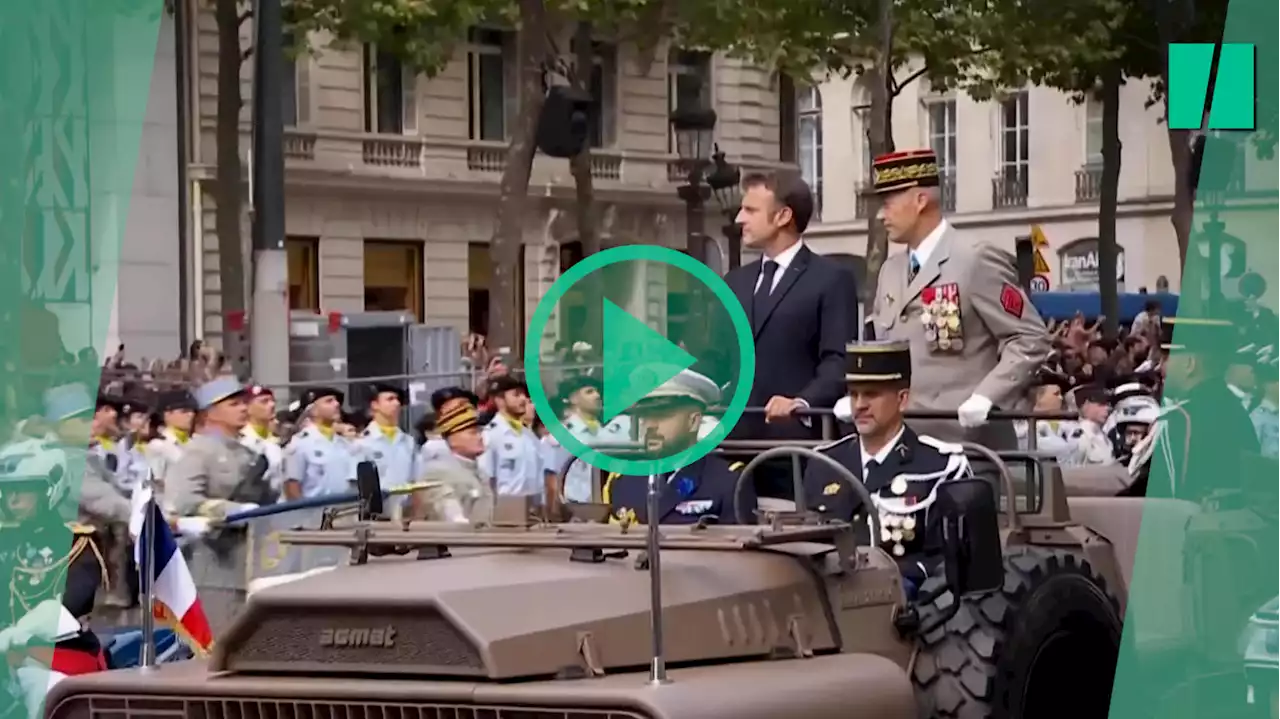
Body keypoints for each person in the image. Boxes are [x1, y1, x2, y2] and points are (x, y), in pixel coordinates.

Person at [866, 149, 1050, 448]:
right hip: (902, 442)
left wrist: (988, 395)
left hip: (966, 445)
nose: (880, 215)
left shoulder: (974, 259)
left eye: (887, 204)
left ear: (920, 200)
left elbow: (1030, 338)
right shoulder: (891, 270)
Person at [799, 341, 973, 598]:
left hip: (906, 609)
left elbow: (951, 561)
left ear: (902, 399)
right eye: (854, 394)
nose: (859, 405)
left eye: (871, 394)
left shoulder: (941, 467)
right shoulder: (824, 464)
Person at [724, 171, 858, 498]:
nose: (741, 218)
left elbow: (839, 361)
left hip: (796, 448)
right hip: (730, 448)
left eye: (751, 210)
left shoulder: (830, 280)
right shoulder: (734, 282)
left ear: (784, 216)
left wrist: (802, 402)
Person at [0, 444, 109, 717]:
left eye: (25, 489)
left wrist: (13, 635)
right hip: (8, 659)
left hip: (59, 656)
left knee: (45, 695)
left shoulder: (79, 544)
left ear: (51, 489)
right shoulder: (6, 541)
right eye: (7, 489)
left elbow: (66, 607)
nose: (12, 499)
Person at [165, 377, 268, 635]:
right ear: (210, 413)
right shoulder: (199, 450)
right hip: (213, 561)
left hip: (250, 558)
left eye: (244, 403)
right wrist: (232, 510)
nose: (244, 408)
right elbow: (185, 501)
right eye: (234, 404)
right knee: (217, 643)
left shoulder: (248, 454)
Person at [604, 369, 756, 525]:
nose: (650, 425)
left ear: (693, 422)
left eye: (661, 415)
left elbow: (739, 547)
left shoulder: (729, 481)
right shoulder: (622, 480)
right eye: (644, 415)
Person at [1151, 317, 1260, 500]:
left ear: (1189, 364)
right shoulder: (1239, 413)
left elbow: (1156, 502)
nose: (1160, 366)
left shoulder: (1178, 421)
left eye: (1166, 357)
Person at [543, 375, 630, 505]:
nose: (597, 396)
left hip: (605, 503)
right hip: (575, 506)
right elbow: (552, 477)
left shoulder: (606, 431)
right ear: (573, 399)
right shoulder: (563, 434)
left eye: (597, 392)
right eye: (589, 392)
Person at [411, 401, 494, 523]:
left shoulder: (480, 473)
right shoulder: (436, 473)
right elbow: (452, 517)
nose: (480, 437)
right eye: (473, 433)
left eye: (480, 431)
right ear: (452, 439)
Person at [282, 387, 358, 500]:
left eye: (336, 401)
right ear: (313, 411)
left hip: (344, 511)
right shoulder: (300, 444)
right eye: (329, 401)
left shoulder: (344, 443)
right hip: (314, 512)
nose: (337, 404)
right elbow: (292, 487)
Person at [480, 376, 545, 504]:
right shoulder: (491, 435)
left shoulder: (529, 435)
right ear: (500, 400)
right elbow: (486, 480)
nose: (523, 399)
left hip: (534, 510)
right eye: (516, 395)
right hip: (507, 511)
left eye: (524, 395)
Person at [355, 383, 418, 513]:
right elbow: (355, 486)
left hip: (404, 514)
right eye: (390, 399)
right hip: (375, 515)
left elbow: (416, 481)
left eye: (397, 400)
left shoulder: (408, 442)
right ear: (375, 405)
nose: (396, 404)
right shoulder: (362, 443)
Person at [238, 384, 284, 498]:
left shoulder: (274, 440)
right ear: (247, 407)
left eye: (272, 401)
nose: (272, 405)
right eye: (264, 402)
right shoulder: (241, 441)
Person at [1061, 384, 1114, 466]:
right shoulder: (1080, 437)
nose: (1108, 408)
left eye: (1108, 404)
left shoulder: (1104, 436)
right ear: (1086, 404)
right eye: (1101, 404)